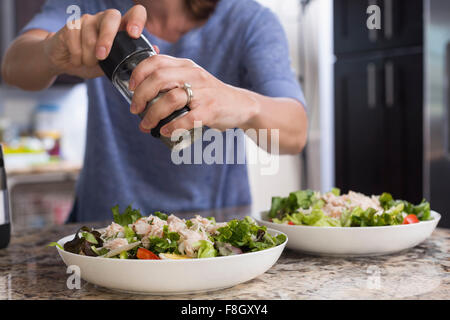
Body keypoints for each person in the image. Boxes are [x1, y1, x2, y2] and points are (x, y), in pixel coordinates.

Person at [1, 0, 308, 222]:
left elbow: (295, 133)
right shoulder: (88, 7)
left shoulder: (248, 20)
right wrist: (50, 53)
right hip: (103, 233)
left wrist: (238, 102)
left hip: (214, 233)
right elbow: (13, 66)